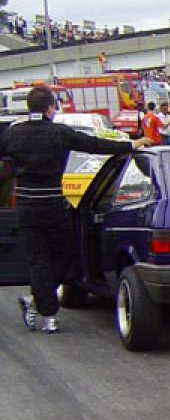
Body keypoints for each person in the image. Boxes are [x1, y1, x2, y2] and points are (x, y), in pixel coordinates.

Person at [0, 85, 150, 333]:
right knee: (67, 255)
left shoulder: (14, 135)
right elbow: (93, 145)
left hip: (26, 206)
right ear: (50, 108)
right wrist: (130, 146)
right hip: (52, 204)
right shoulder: (59, 133)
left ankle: (39, 306)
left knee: (38, 260)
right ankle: (46, 312)